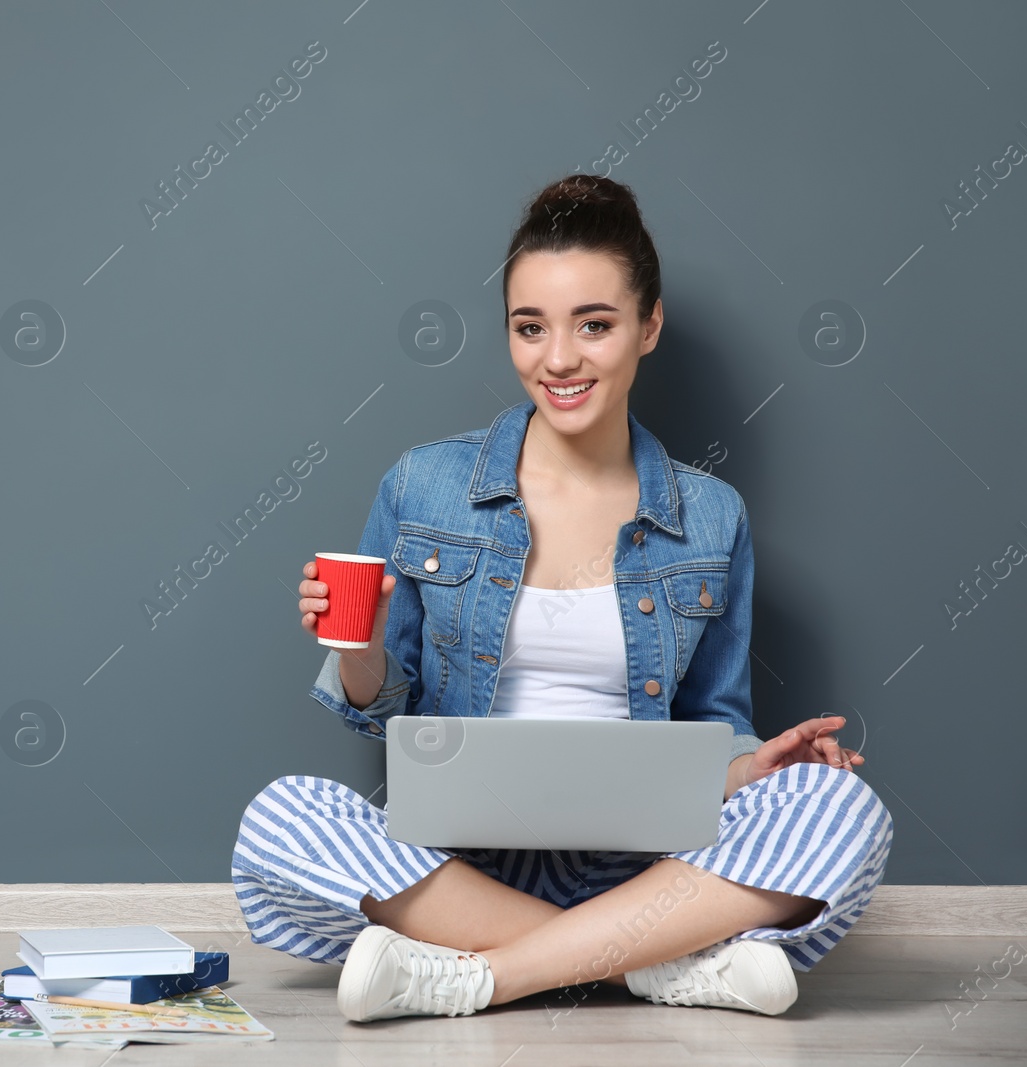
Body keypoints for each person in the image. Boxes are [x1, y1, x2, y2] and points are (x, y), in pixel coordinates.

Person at [230, 173, 893, 1024]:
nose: (559, 359)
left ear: (648, 326)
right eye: (530, 327)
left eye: (595, 325)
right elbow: (378, 708)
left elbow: (713, 728)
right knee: (280, 820)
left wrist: (751, 766)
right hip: (459, 863)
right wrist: (353, 648)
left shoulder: (711, 515)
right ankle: (661, 965)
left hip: (646, 866)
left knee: (844, 809)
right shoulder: (424, 484)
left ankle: (482, 975)